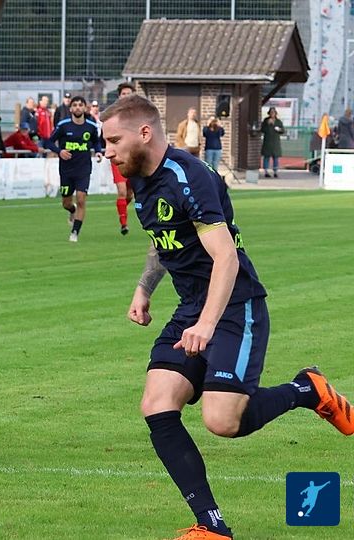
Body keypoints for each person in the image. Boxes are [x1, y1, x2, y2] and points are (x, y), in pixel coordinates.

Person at [100, 94, 354, 540]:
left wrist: (206, 324)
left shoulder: (189, 176)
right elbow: (162, 239)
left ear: (144, 133)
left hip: (236, 305)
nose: (107, 151)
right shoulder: (138, 177)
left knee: (222, 422)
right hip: (191, 306)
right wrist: (144, 289)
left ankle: (306, 389)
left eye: (113, 140)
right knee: (157, 404)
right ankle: (212, 526)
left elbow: (226, 258)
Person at [42, 96, 102, 242]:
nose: (77, 107)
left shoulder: (91, 126)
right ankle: (72, 210)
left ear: (85, 108)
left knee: (81, 199)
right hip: (66, 170)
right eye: (75, 105)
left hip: (83, 169)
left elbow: (96, 141)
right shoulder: (63, 125)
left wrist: (98, 152)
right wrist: (59, 151)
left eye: (80, 105)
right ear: (70, 108)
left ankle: (75, 232)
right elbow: (48, 142)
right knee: (66, 203)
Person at [112, 82, 135, 235]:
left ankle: (121, 209)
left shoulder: (138, 114)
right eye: (123, 94)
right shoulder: (113, 114)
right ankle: (124, 224)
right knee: (121, 190)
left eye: (129, 94)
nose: (126, 96)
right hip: (117, 155)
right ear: (119, 96)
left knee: (130, 193)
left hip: (133, 156)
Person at [260, 107, 284, 178]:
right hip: (267, 141)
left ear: (275, 113)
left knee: (276, 157)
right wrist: (268, 124)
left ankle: (275, 171)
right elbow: (262, 129)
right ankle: (266, 171)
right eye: (271, 112)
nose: (272, 114)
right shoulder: (266, 120)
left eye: (273, 112)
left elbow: (283, 130)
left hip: (275, 142)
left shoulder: (278, 121)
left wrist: (279, 129)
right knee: (266, 157)